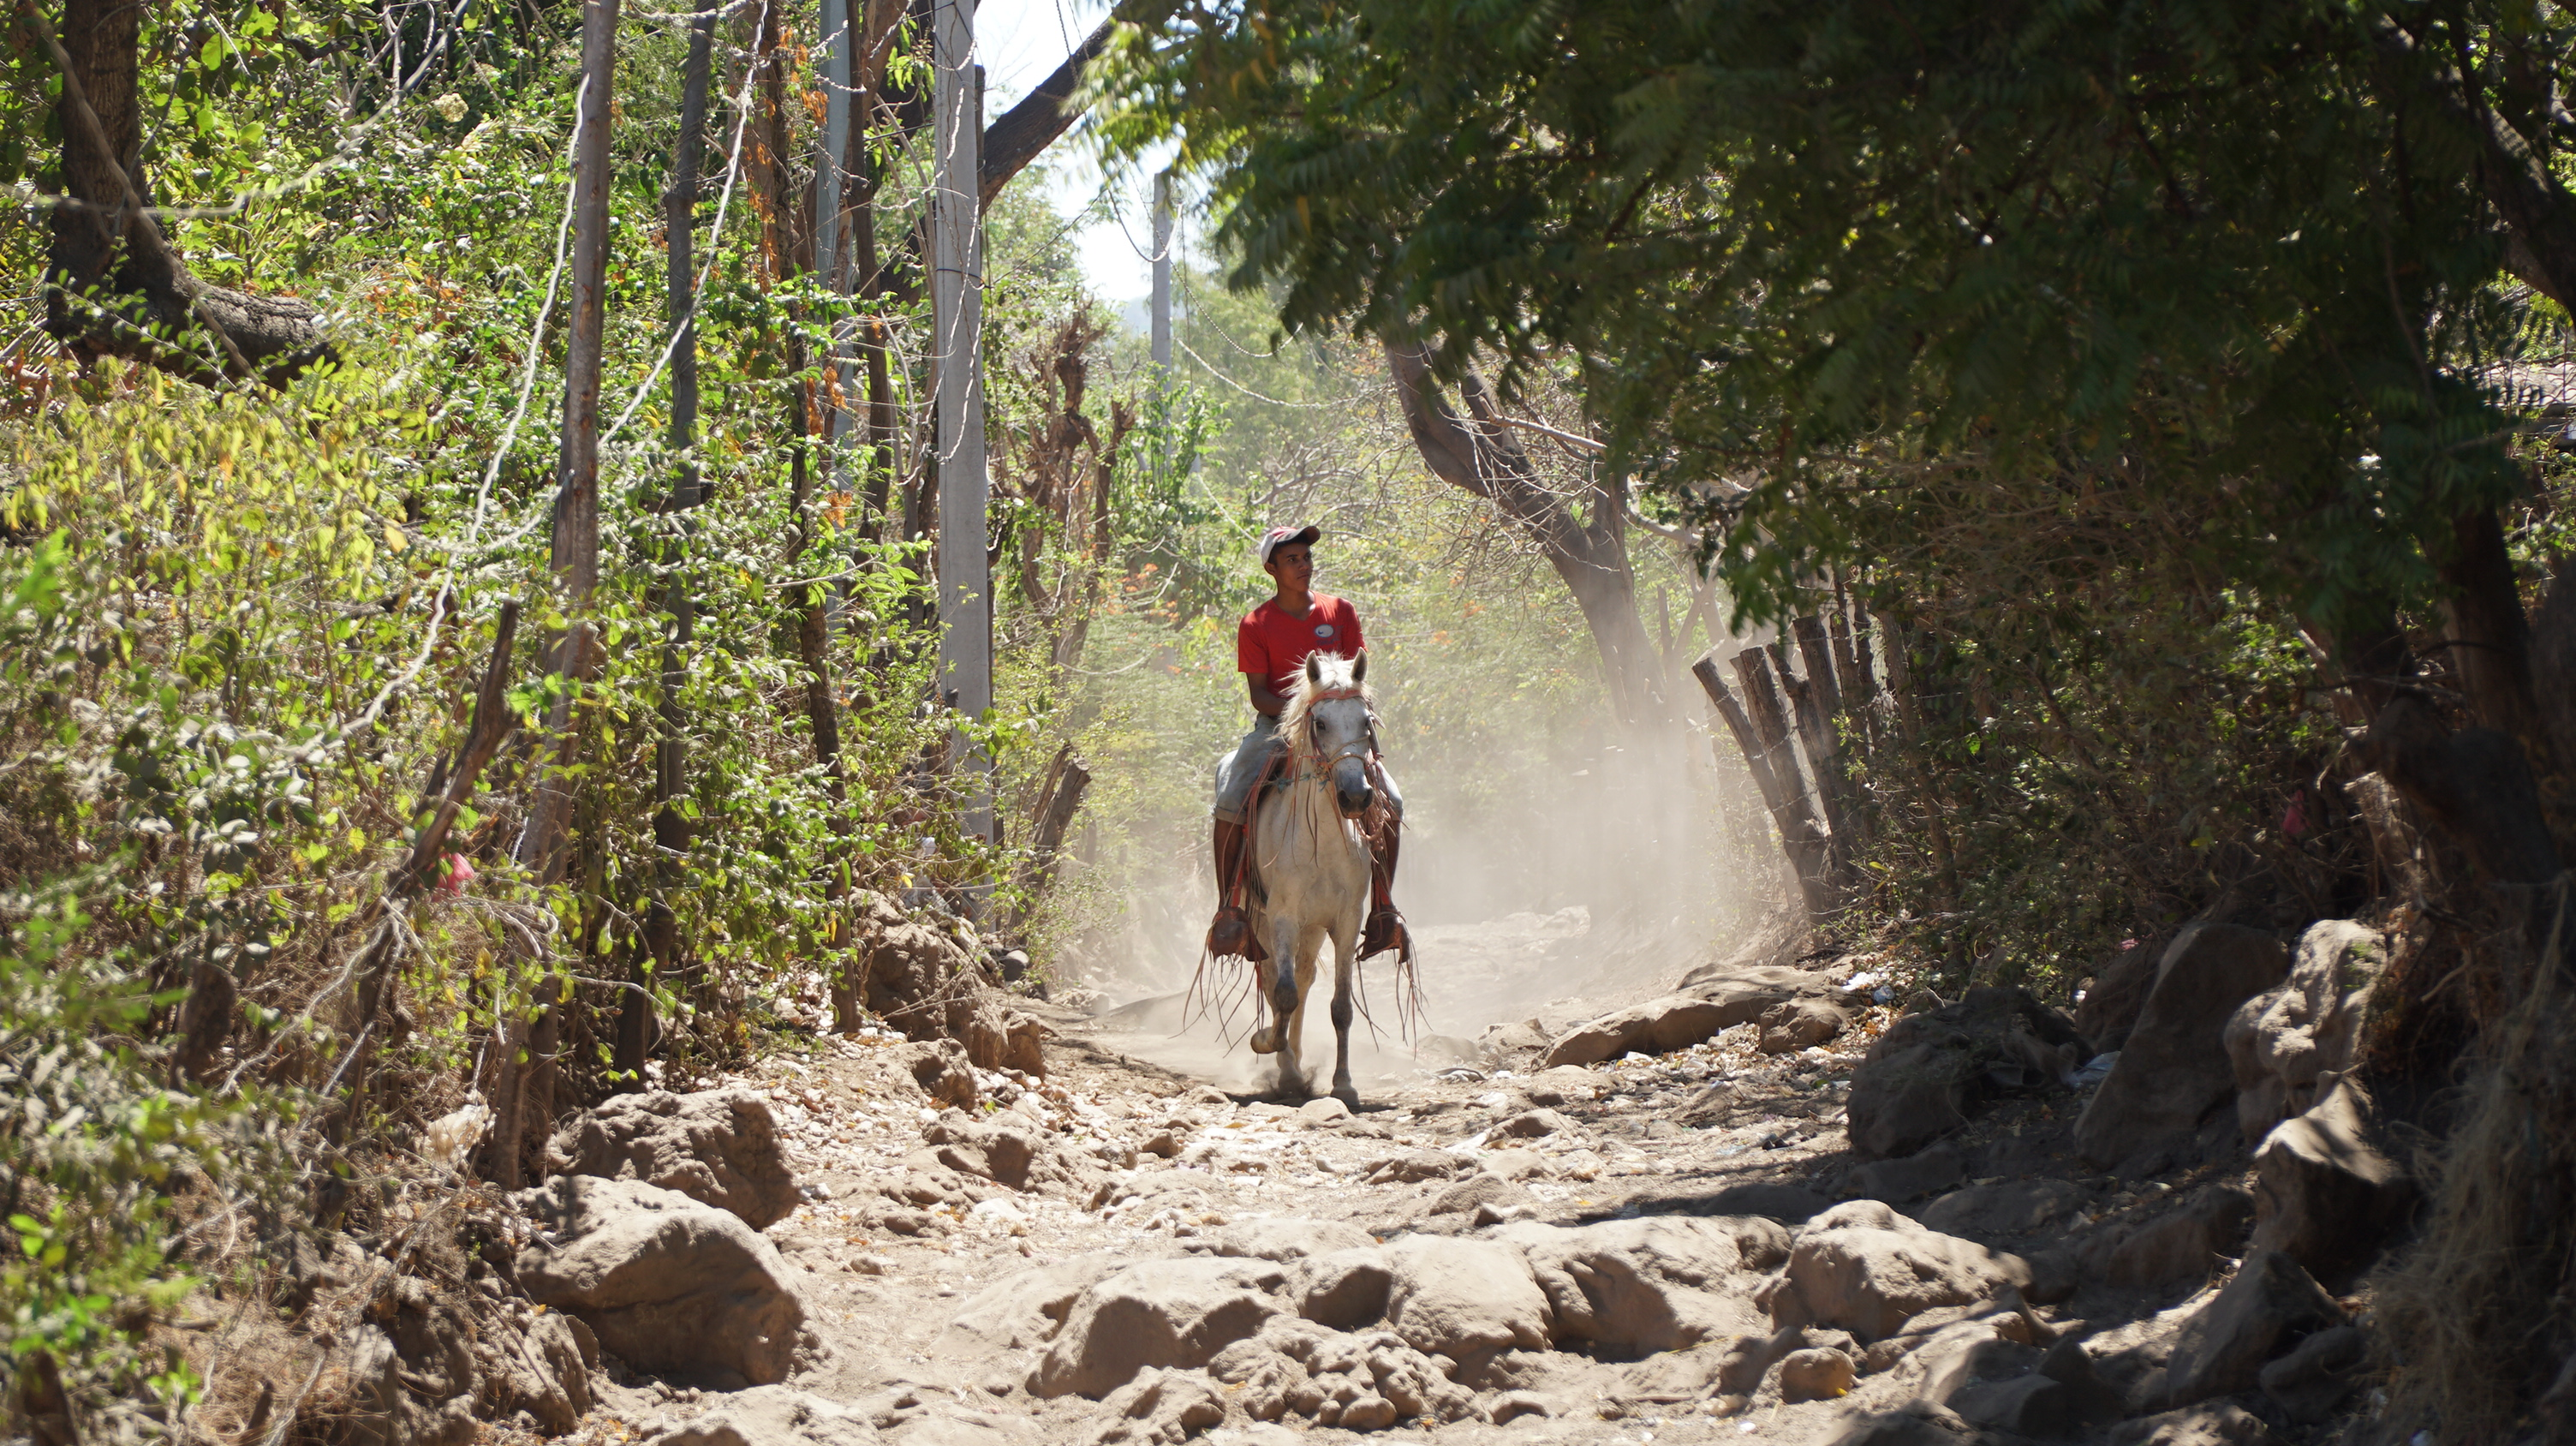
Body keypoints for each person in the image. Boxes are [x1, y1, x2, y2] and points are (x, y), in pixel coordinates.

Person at [1208, 525, 1408, 961]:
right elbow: (1259, 693)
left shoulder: (1340, 611)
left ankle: (1383, 912)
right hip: (1278, 727)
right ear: (1272, 569)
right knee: (1231, 795)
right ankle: (1230, 912)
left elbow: (1358, 679)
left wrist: (1336, 715)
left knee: (1391, 799)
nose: (1303, 565)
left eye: (1306, 557)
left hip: (1339, 728)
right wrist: (1301, 715)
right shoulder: (1256, 623)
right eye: (1292, 560)